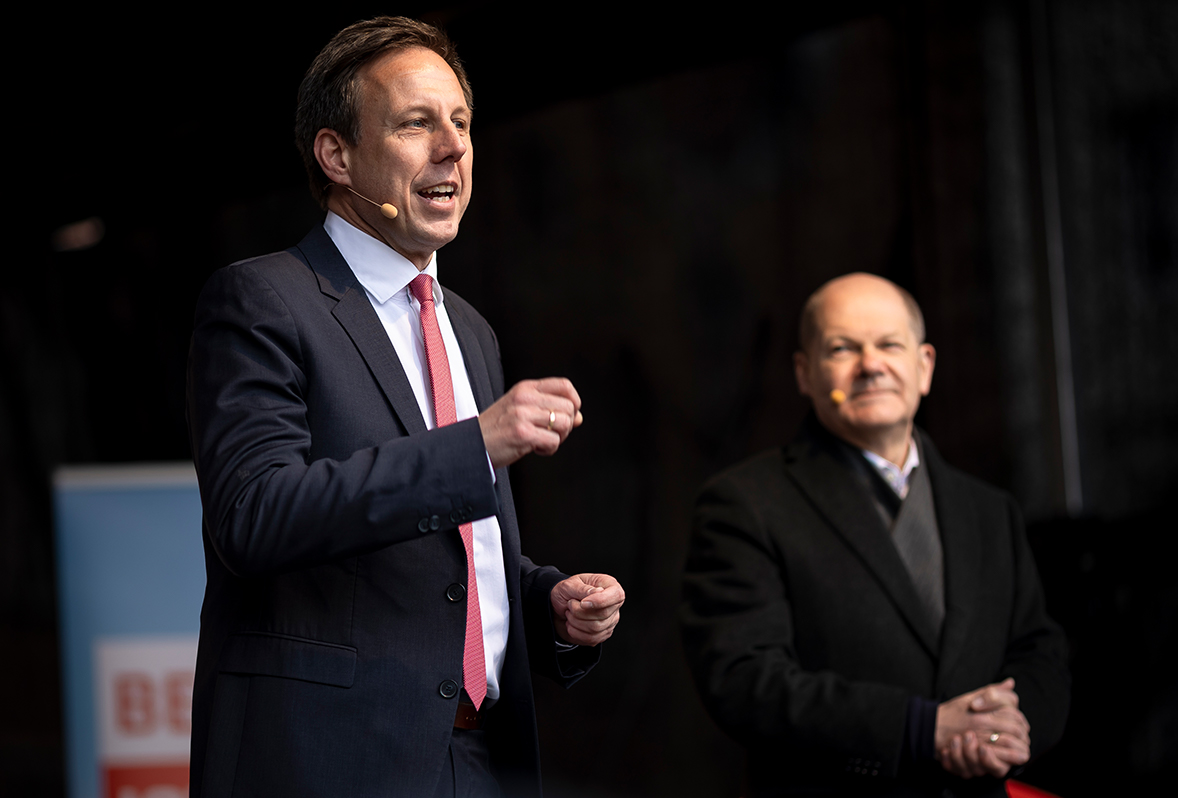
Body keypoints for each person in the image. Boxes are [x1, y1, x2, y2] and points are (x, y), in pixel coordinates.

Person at [186, 16, 624, 798]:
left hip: (481, 757)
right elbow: (253, 515)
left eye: (460, 122)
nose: (453, 148)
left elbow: (445, 550)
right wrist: (475, 444)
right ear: (337, 155)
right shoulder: (263, 300)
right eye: (417, 124)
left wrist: (543, 599)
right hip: (329, 761)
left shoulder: (470, 330)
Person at [680, 273, 1069, 797]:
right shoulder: (746, 503)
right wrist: (921, 730)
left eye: (890, 344)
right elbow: (744, 680)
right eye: (843, 348)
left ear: (924, 366)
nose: (871, 366)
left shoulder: (988, 510)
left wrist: (1008, 729)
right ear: (804, 372)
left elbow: (1039, 649)